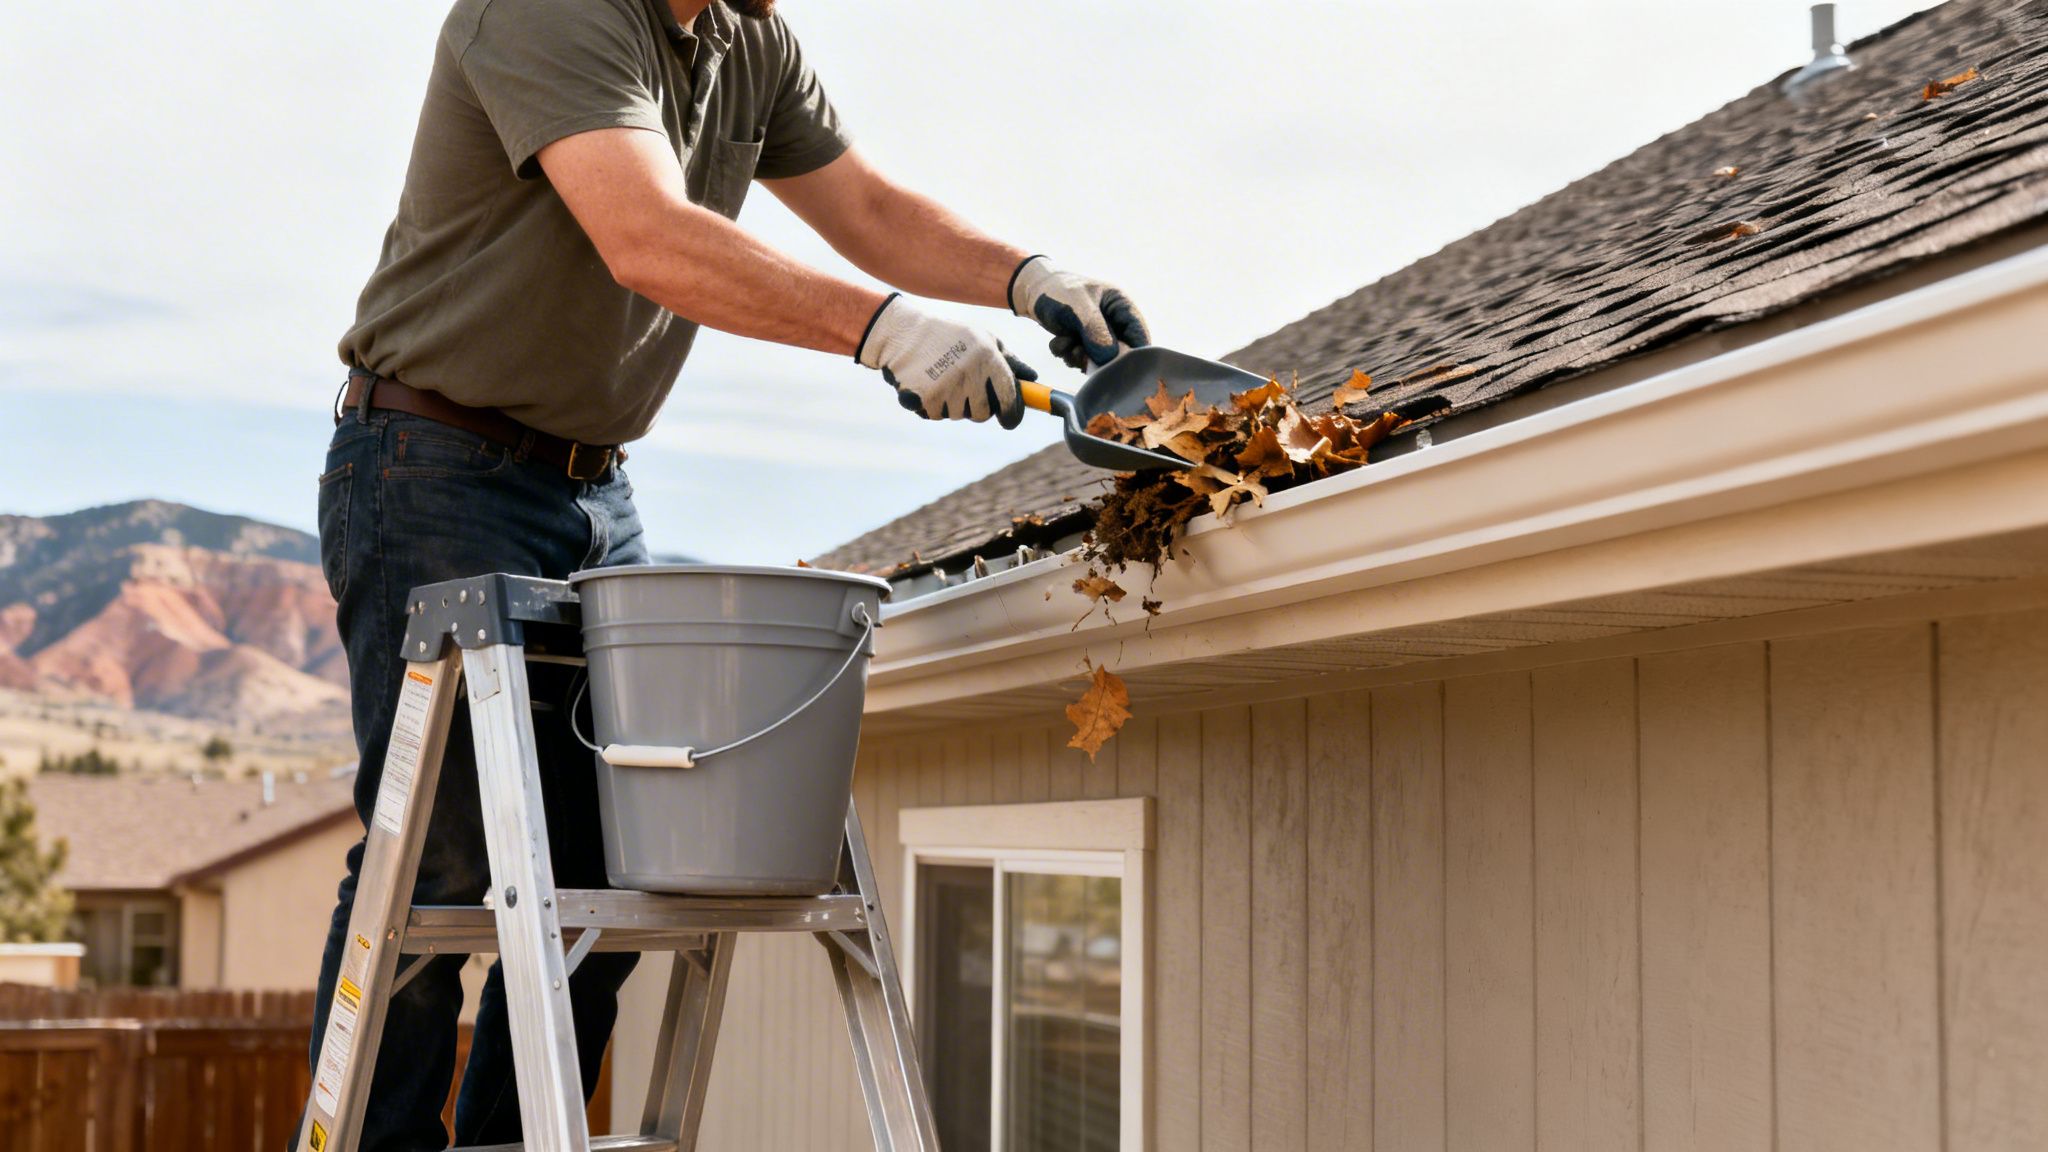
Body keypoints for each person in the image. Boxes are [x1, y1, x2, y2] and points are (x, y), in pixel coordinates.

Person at [305, 0, 1149, 1147]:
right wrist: (887, 330)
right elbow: (646, 234)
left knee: (613, 877)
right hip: (434, 463)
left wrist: (1028, 277)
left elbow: (866, 209)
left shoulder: (751, 43)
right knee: (445, 867)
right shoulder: (550, 10)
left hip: (593, 490)